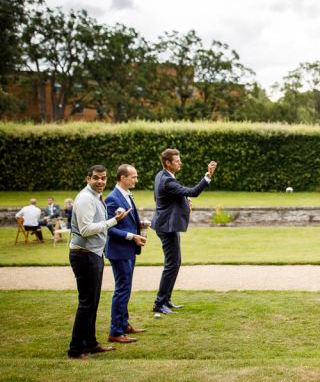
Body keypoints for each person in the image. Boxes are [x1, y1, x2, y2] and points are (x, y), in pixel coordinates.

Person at [67, 165, 129, 360]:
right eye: (96, 178)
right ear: (88, 178)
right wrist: (114, 221)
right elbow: (85, 230)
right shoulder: (86, 198)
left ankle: (90, 343)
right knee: (86, 303)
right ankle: (75, 350)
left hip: (92, 254)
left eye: (103, 178)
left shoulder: (94, 197)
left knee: (92, 302)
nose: (100, 181)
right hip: (84, 255)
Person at [151, 148, 217, 314]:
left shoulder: (161, 175)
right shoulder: (168, 181)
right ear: (168, 163)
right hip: (167, 227)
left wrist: (182, 200)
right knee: (172, 264)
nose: (180, 162)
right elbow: (193, 192)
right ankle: (159, 303)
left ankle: (166, 299)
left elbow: (163, 198)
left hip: (166, 224)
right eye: (177, 160)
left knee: (174, 263)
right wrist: (208, 176)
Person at [105, 164, 148, 344]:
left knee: (126, 288)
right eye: (133, 177)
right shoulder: (112, 199)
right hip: (119, 250)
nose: (136, 180)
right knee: (122, 290)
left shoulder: (126, 195)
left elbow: (126, 220)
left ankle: (124, 324)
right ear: (123, 178)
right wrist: (132, 236)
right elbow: (109, 228)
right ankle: (115, 331)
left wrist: (140, 224)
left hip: (129, 249)